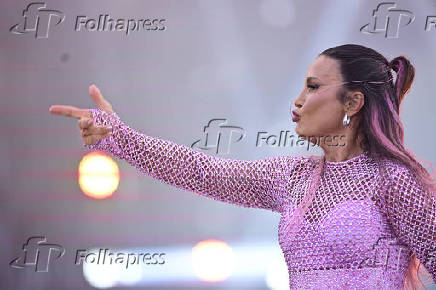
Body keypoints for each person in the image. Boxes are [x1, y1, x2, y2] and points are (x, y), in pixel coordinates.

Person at [49, 44, 435, 289]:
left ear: (352, 103)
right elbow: (202, 171)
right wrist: (118, 136)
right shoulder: (293, 178)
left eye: (314, 87)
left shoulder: (396, 182)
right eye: (302, 86)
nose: (297, 101)